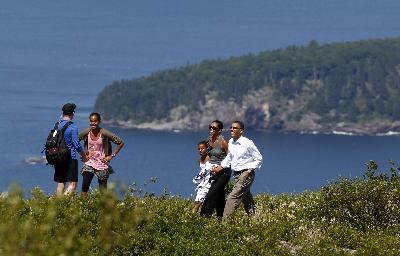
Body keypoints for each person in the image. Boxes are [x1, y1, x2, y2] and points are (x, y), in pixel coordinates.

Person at [212, 121, 263, 220]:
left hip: (246, 174)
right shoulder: (231, 142)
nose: (231, 129)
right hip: (236, 175)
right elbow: (230, 157)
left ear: (241, 131)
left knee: (232, 197)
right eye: (231, 127)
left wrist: (249, 171)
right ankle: (254, 218)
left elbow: (259, 158)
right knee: (246, 197)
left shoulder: (247, 143)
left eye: (235, 128)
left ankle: (224, 224)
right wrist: (220, 167)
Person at [79, 112, 124, 196]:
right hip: (89, 162)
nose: (93, 123)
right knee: (85, 186)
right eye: (91, 121)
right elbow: (75, 142)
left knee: (103, 190)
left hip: (102, 163)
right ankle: (83, 206)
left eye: (95, 121)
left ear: (99, 121)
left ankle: (103, 207)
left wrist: (111, 156)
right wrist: (83, 154)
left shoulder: (105, 133)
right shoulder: (86, 132)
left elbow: (120, 142)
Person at [54, 103, 88, 196]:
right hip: (70, 158)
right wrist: (84, 156)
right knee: (72, 184)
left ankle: (57, 205)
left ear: (62, 113)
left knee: (61, 183)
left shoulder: (57, 125)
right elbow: (77, 145)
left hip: (58, 157)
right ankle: (63, 204)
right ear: (73, 113)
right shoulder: (73, 127)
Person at [200, 120, 231, 218]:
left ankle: (205, 217)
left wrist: (220, 167)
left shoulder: (223, 142)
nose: (212, 129)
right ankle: (221, 218)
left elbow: (231, 157)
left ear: (220, 130)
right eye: (210, 127)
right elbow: (208, 156)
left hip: (224, 173)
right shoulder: (208, 142)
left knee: (211, 195)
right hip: (213, 173)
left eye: (214, 128)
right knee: (220, 197)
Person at [192, 141, 214, 213]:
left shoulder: (211, 158)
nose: (200, 150)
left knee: (199, 203)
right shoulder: (199, 160)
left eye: (202, 148)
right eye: (199, 149)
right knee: (197, 202)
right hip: (202, 184)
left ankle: (191, 218)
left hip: (210, 183)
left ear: (207, 148)